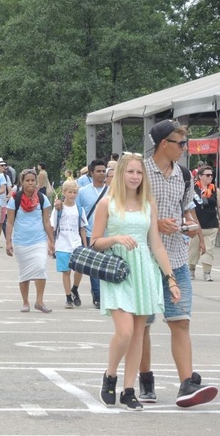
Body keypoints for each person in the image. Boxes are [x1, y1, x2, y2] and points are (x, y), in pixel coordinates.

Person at [139, 119, 217, 407]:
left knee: (181, 321)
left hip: (177, 258)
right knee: (143, 324)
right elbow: (127, 210)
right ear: (164, 144)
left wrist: (191, 225)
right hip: (144, 259)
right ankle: (145, 378)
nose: (185, 148)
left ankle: (186, 384)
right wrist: (155, 223)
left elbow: (187, 210)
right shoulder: (139, 172)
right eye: (180, 143)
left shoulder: (184, 175)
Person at [94, 153, 180, 410]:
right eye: (130, 172)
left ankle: (129, 389)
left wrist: (170, 279)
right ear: (121, 174)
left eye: (139, 173)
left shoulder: (148, 205)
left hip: (144, 270)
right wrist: (116, 239)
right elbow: (95, 241)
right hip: (118, 270)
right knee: (125, 332)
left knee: (138, 334)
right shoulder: (107, 203)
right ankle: (110, 375)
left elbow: (156, 245)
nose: (134, 177)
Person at [5, 169, 54, 313]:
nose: (30, 183)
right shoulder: (15, 199)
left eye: (33, 180)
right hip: (21, 242)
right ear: (22, 182)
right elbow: (9, 222)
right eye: (27, 180)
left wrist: (52, 241)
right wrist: (8, 242)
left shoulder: (42, 198)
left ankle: (39, 301)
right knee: (24, 272)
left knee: (40, 268)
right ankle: (25, 302)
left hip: (39, 240)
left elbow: (46, 221)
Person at [51, 180, 87, 308]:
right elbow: (53, 227)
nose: (72, 195)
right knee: (66, 272)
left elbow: (82, 227)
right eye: (70, 192)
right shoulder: (58, 209)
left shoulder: (79, 209)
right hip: (62, 244)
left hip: (76, 244)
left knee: (79, 269)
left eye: (75, 192)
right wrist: (52, 244)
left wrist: (85, 244)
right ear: (64, 192)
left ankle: (75, 288)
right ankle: (68, 298)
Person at [76, 159, 107, 308]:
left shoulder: (112, 190)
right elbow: (77, 213)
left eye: (103, 171)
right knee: (94, 267)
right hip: (90, 233)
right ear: (91, 173)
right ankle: (98, 295)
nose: (102, 174)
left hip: (109, 234)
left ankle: (107, 294)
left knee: (107, 265)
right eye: (99, 171)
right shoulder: (83, 192)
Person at [188, 165, 218, 282]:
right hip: (196, 224)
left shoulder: (215, 189)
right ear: (200, 176)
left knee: (209, 250)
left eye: (211, 175)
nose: (210, 177)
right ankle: (191, 270)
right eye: (207, 175)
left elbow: (218, 207)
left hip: (211, 225)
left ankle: (207, 273)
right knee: (193, 249)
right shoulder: (193, 190)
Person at [0, 158, 12, 248]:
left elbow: (10, 188)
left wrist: (9, 196)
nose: (4, 167)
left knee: (0, 223)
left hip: (3, 202)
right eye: (2, 165)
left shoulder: (6, 176)